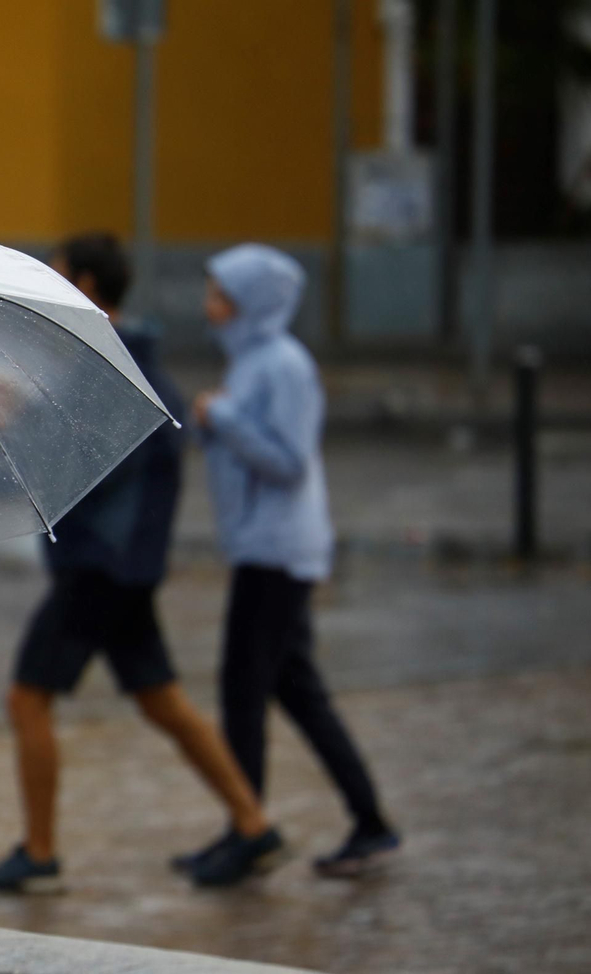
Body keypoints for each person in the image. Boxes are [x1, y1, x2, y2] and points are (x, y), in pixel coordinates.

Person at [0, 234, 278, 892]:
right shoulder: (114, 365)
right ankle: (254, 825)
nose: (50, 296)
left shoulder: (110, 371)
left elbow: (83, 469)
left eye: (60, 281)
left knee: (27, 698)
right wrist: (19, 418)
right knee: (162, 700)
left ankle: (40, 849)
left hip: (99, 570)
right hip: (119, 571)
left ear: (87, 286)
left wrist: (11, 424)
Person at [191, 243, 399, 879]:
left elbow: (289, 462)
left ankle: (247, 833)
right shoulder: (251, 361)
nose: (209, 303)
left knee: (244, 691)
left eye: (220, 293)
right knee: (296, 691)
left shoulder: (284, 366)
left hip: (278, 551)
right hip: (263, 545)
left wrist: (221, 415)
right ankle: (366, 821)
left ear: (250, 302)